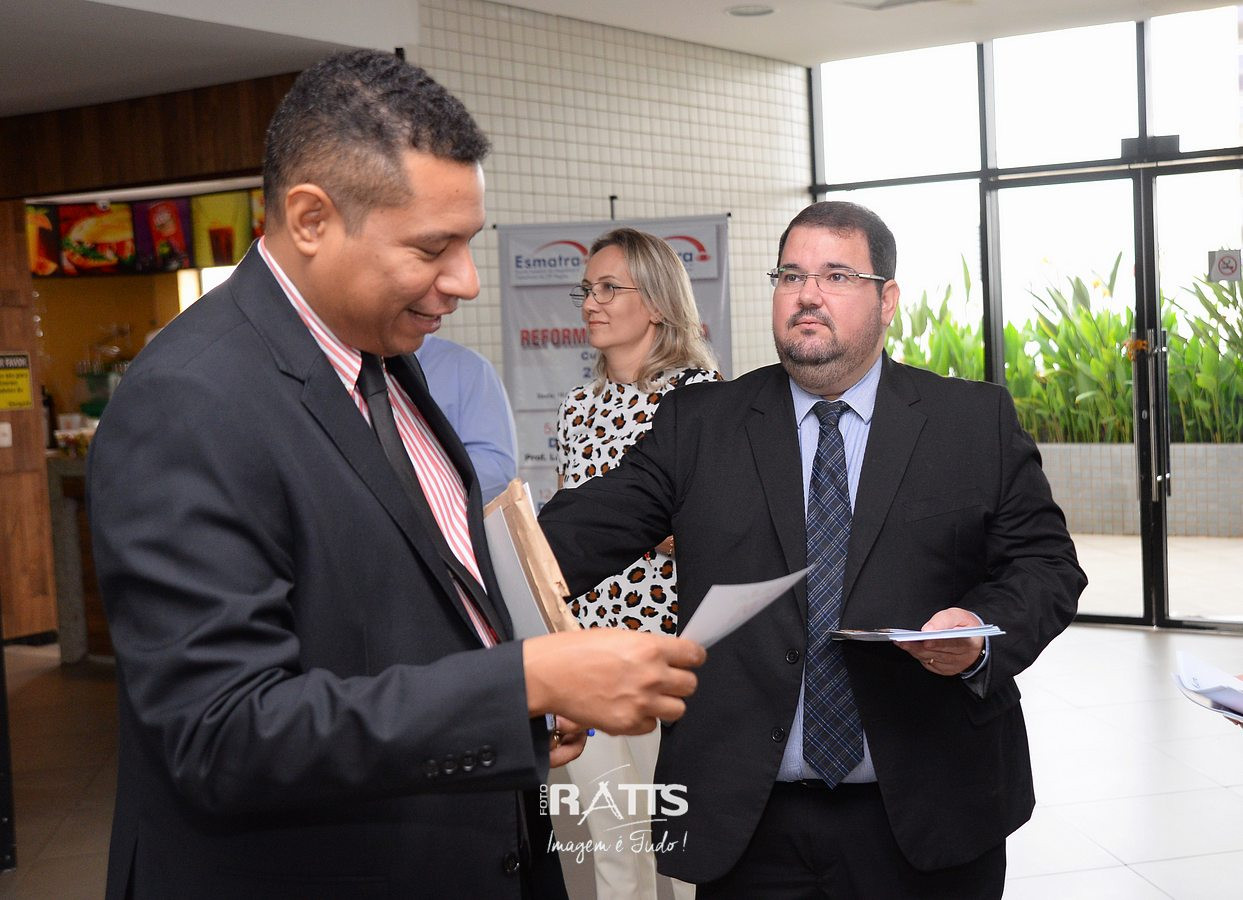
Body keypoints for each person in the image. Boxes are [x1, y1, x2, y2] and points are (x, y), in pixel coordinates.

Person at [87, 49, 704, 900]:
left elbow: (407, 621)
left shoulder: (382, 360)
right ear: (311, 219)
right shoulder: (189, 401)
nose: (466, 280)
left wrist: (519, 711)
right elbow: (223, 734)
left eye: (469, 242)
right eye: (431, 247)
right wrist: (522, 682)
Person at [539, 200, 1086, 898]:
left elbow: (1045, 565)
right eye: (790, 275)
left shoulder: (969, 421)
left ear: (887, 299)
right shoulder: (700, 424)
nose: (806, 294)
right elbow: (572, 538)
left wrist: (978, 635)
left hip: (929, 807)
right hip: (748, 820)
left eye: (835, 275)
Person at [556, 227, 721, 899]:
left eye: (608, 288)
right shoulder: (576, 406)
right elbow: (567, 526)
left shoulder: (700, 398)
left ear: (655, 301)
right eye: (586, 289)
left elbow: (718, 528)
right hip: (583, 653)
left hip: (666, 653)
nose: (591, 302)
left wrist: (649, 529)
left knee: (679, 849)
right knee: (612, 843)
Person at [416, 334, 518, 504]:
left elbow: (496, 472)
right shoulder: (369, 374)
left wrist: (418, 486)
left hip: (442, 515)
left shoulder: (468, 368)